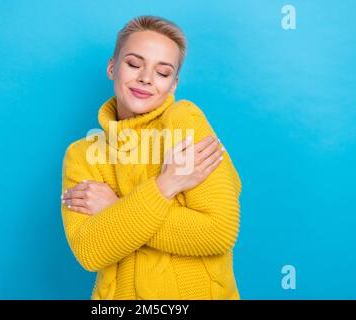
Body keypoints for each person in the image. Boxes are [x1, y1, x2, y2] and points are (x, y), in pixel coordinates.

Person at [60, 15, 242, 300]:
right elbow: (90, 251)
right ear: (112, 67)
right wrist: (166, 186)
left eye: (163, 72)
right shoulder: (83, 154)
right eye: (134, 64)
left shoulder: (185, 123)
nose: (145, 78)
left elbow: (218, 233)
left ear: (174, 83)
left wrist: (117, 208)